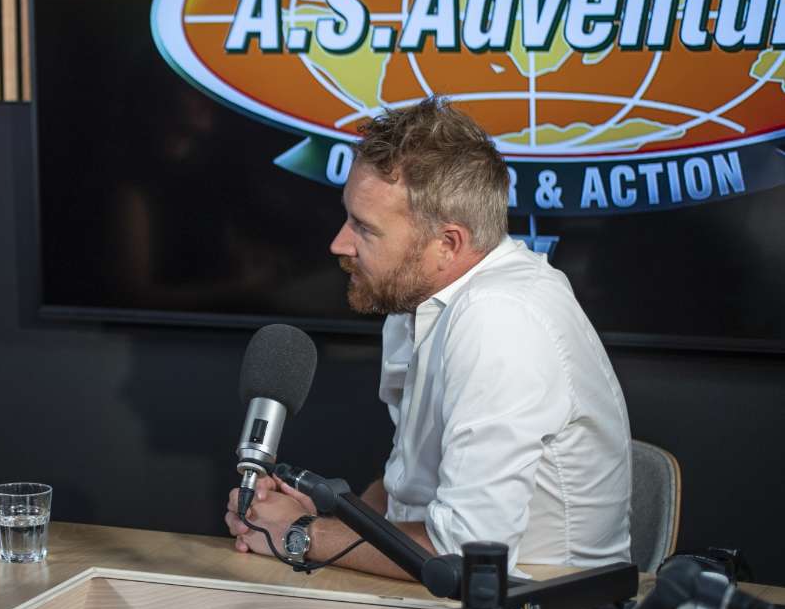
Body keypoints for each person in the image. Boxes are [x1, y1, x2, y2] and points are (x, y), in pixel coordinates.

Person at [225, 98, 631, 578]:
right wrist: (326, 519)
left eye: (364, 228)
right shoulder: (419, 297)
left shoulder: (500, 320)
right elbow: (408, 485)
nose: (339, 243)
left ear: (448, 243)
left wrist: (303, 534)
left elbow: (468, 554)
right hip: (438, 594)